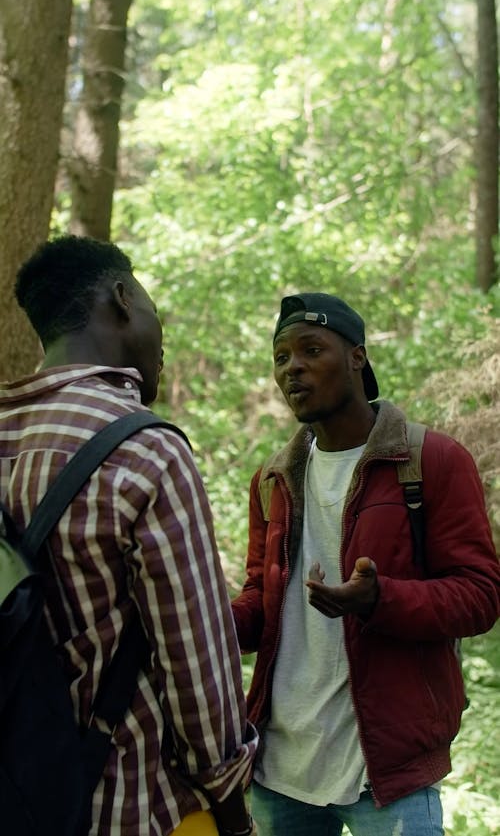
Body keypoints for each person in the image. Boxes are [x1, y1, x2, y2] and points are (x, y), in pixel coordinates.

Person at [0, 235, 257, 836]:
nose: (160, 334)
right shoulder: (145, 451)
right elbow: (197, 667)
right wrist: (228, 800)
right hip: (125, 803)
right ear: (120, 299)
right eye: (152, 309)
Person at [231, 292, 500, 836]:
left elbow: (481, 595)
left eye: (311, 350)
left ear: (357, 356)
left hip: (386, 770)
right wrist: (201, 618)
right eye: (281, 358)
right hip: (280, 766)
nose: (293, 368)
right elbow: (261, 603)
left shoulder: (431, 461)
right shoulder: (271, 480)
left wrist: (381, 599)